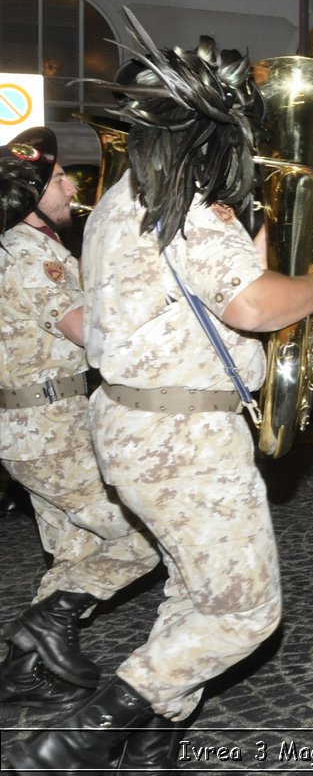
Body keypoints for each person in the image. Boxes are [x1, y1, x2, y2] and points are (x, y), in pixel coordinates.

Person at [3, 19, 313, 773]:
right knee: (248, 612)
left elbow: (190, 292)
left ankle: (157, 741)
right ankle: (87, 732)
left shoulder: (118, 207)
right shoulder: (191, 209)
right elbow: (253, 308)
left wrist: (264, 259)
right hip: (184, 437)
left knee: (193, 590)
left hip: (126, 423)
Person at [0, 129, 160, 714]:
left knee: (73, 555)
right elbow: (93, 335)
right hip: (47, 430)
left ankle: (22, 667)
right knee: (146, 536)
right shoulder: (30, 254)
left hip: (45, 424)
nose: (73, 186)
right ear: (32, 191)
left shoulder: (34, 248)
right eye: (62, 178)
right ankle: (39, 632)